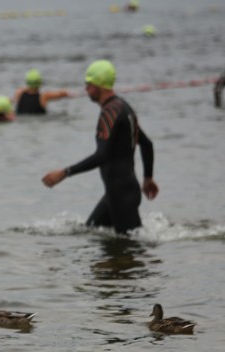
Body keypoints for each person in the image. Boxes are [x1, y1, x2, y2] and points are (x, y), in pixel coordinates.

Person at [42, 60, 159, 234]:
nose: (86, 89)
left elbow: (102, 156)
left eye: (89, 84)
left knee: (130, 250)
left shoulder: (109, 113)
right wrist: (148, 178)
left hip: (120, 194)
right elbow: (147, 144)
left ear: (100, 85)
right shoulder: (123, 107)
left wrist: (64, 173)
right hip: (120, 191)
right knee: (90, 233)